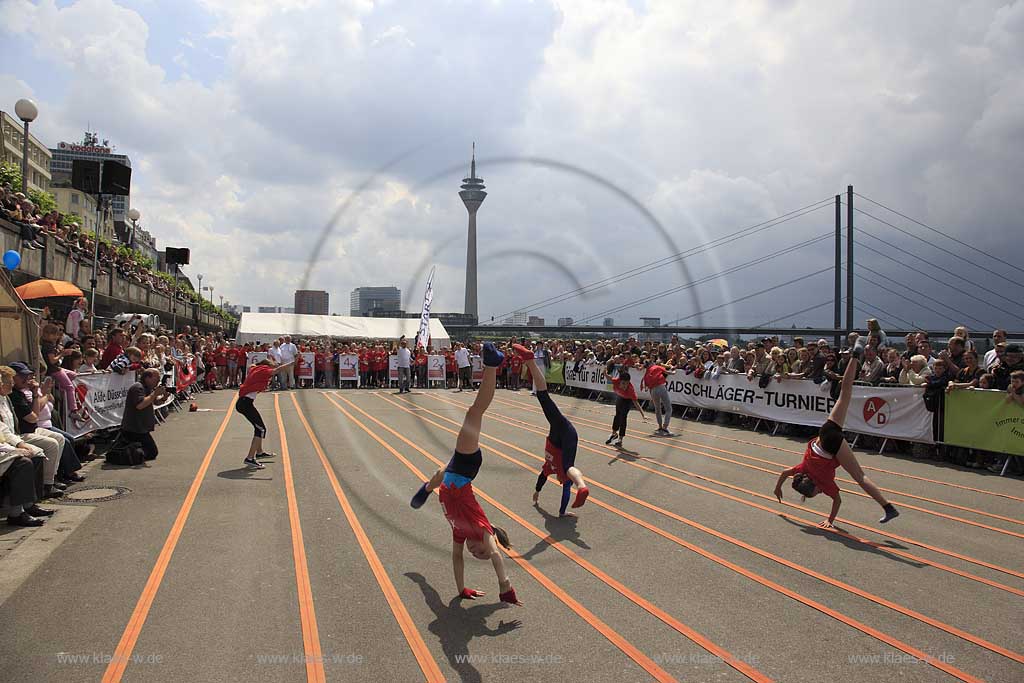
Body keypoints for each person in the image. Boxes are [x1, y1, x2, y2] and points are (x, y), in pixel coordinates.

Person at [409, 343, 521, 605]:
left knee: (441, 473)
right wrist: (505, 586)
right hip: (466, 468)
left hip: (452, 476)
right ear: (488, 540)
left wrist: (461, 589)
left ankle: (427, 488)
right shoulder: (482, 529)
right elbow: (496, 555)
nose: (474, 551)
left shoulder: (461, 534)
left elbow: (456, 558)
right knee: (475, 412)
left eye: (475, 554)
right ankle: (493, 364)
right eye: (480, 551)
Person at [773, 350, 899, 528]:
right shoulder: (803, 469)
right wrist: (777, 487)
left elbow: (837, 500)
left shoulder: (824, 483)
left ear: (816, 486)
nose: (820, 493)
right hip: (825, 432)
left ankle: (888, 507)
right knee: (845, 393)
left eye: (817, 493)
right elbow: (784, 473)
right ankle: (856, 355)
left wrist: (829, 520)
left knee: (860, 476)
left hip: (831, 444)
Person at [509, 344, 589, 517]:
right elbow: (546, 480)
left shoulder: (554, 470)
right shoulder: (556, 470)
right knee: (543, 397)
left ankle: (582, 486)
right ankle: (581, 486)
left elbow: (543, 479)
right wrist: (560, 512)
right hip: (564, 433)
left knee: (569, 467)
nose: (561, 482)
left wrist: (538, 493)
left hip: (561, 433)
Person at [235, 358, 293, 469]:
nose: (273, 365)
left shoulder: (256, 369)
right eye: (271, 364)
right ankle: (250, 458)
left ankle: (259, 452)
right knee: (261, 429)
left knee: (259, 427)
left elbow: (251, 366)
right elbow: (277, 370)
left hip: (244, 402)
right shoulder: (264, 370)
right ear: (267, 365)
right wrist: (290, 363)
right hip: (245, 404)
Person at [120, 368, 167, 461]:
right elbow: (140, 405)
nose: (158, 381)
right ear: (148, 378)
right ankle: (132, 454)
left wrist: (163, 398)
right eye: (156, 379)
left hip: (141, 428)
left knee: (151, 452)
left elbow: (154, 402)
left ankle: (135, 452)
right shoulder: (137, 388)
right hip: (134, 428)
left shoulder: (147, 388)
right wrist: (154, 394)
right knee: (152, 452)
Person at [605, 358, 648, 448]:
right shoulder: (616, 381)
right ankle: (614, 433)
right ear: (620, 381)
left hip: (627, 401)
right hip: (620, 397)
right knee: (617, 415)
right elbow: (608, 377)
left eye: (627, 384)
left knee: (623, 417)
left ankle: (620, 439)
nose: (625, 386)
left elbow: (636, 403)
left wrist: (643, 415)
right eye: (623, 383)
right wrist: (604, 372)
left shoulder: (630, 390)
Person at [641, 359, 675, 435]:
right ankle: (665, 427)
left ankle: (660, 426)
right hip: (660, 387)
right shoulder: (657, 367)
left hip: (653, 390)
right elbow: (668, 372)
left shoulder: (646, 372)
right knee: (668, 408)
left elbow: (646, 386)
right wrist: (674, 372)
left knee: (657, 408)